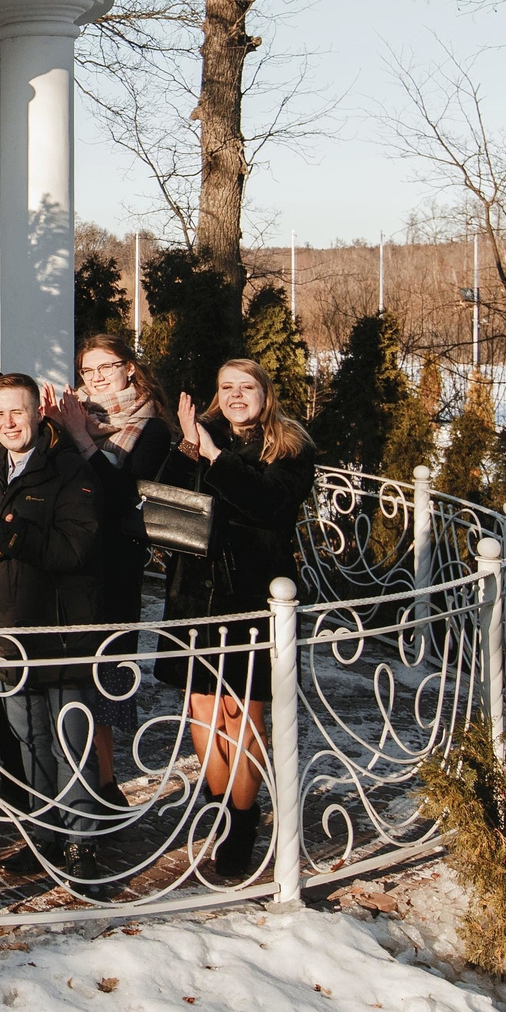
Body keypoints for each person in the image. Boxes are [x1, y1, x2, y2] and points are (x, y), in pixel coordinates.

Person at [155, 357, 318, 880]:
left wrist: (216, 455)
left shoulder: (290, 447)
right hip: (193, 595)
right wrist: (187, 445)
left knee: (240, 714)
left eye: (246, 386)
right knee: (201, 708)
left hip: (250, 594)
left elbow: (268, 504)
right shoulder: (198, 435)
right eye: (226, 387)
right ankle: (220, 807)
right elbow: (167, 500)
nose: (236, 396)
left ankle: (244, 821)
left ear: (266, 393)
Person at [0, 375, 107, 875]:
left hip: (59, 629)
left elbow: (77, 549)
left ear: (39, 414)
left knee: (69, 740)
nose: (7, 423)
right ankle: (43, 835)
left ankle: (82, 841)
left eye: (16, 412)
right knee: (28, 740)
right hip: (7, 628)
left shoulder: (68, 469)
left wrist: (6, 535)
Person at [43, 334, 173, 803]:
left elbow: (123, 496)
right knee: (68, 673)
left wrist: (79, 435)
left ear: (130, 369)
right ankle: (67, 782)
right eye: (88, 370)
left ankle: (104, 783)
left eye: (106, 368)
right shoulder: (73, 414)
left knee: (104, 674)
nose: (96, 378)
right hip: (69, 561)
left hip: (115, 565)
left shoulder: (151, 427)